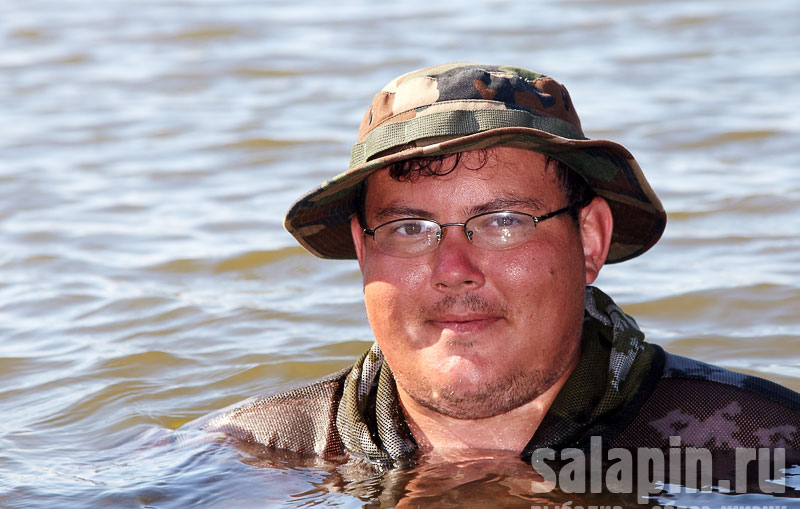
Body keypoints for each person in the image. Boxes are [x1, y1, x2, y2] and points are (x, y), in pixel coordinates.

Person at [196, 63, 800, 469]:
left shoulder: (760, 448)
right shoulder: (251, 456)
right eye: (409, 228)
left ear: (589, 239)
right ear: (363, 251)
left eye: (504, 222)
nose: (453, 268)